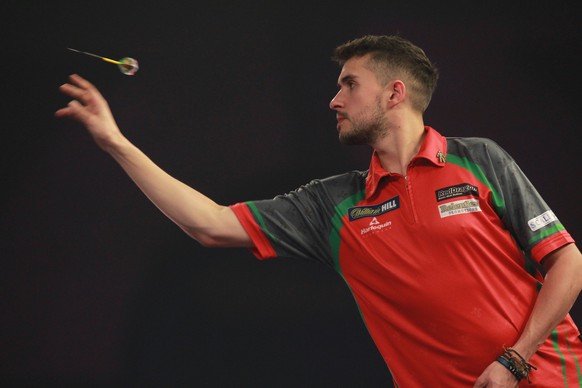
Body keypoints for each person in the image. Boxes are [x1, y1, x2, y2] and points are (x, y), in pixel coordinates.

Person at [56, 35, 582, 387]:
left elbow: (568, 263)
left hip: (555, 376)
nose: (334, 100)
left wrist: (514, 361)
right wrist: (115, 143)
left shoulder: (480, 159)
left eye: (349, 84)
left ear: (395, 93)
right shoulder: (332, 205)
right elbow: (209, 225)